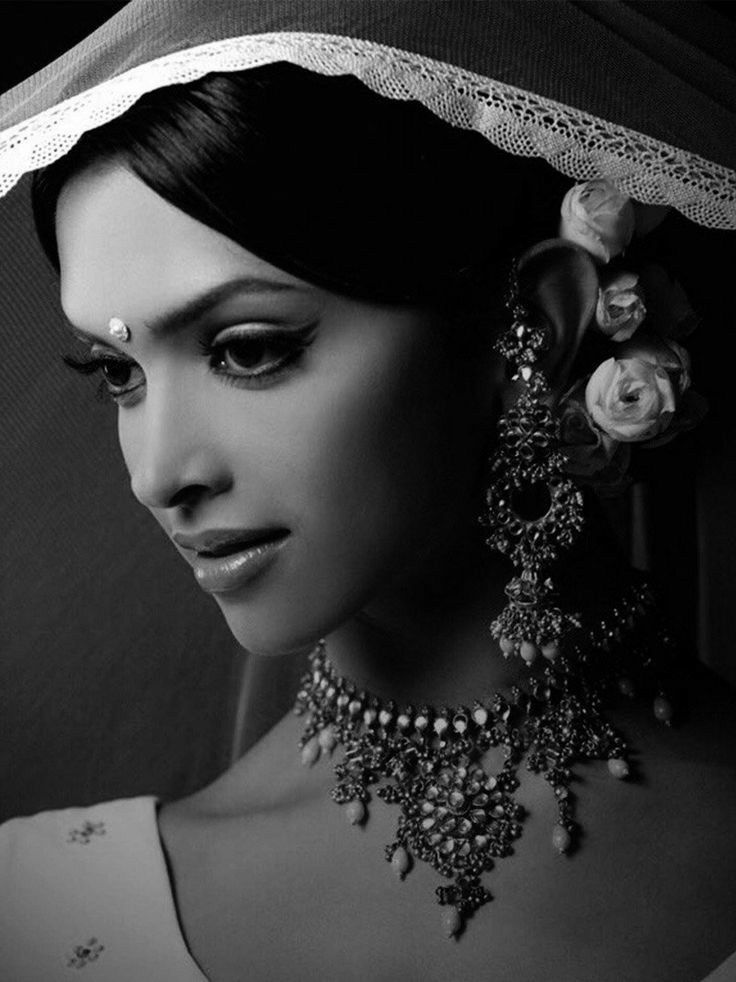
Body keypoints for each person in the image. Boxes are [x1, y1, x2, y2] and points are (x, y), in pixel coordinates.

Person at [1, 2, 735, 980]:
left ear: (532, 322)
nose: (158, 473)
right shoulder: (38, 910)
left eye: (248, 349)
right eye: (118, 373)